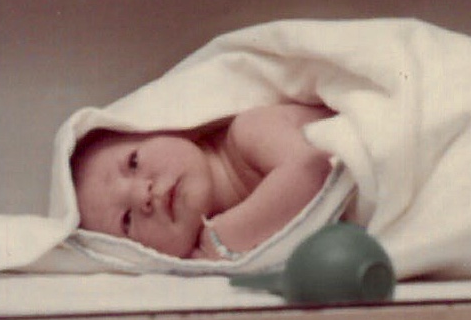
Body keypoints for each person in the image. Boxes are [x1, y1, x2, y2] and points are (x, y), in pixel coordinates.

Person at [70, 102, 334, 260]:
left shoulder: (248, 130)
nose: (142, 195)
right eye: (126, 221)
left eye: (133, 162)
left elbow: (310, 169)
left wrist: (223, 239)